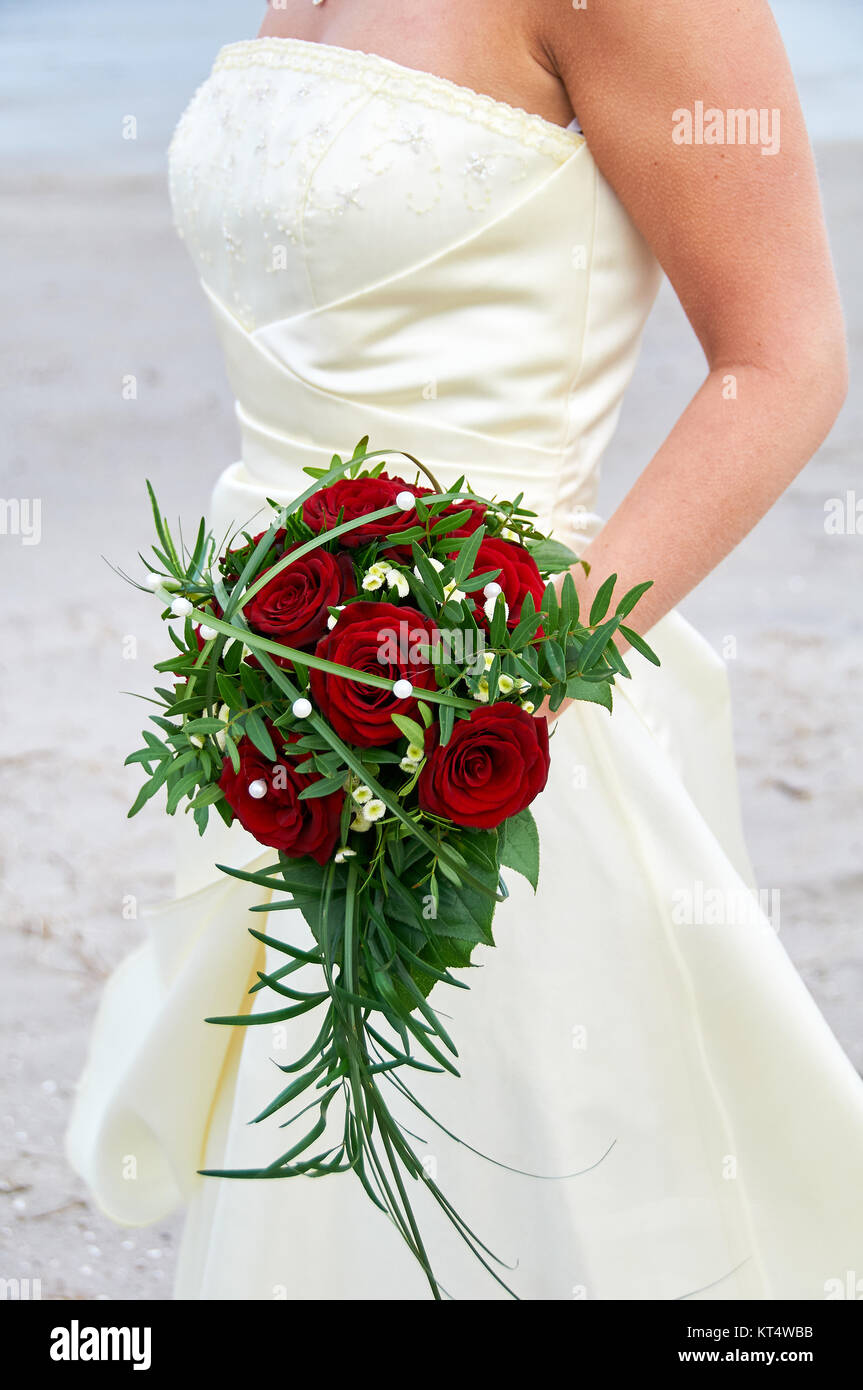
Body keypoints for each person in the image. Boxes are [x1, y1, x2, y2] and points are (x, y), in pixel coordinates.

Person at [68, 0, 862, 1299]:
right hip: (283, 710)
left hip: (488, 730)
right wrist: (273, 665)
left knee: (514, 1197)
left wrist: (513, 666)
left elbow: (784, 357)